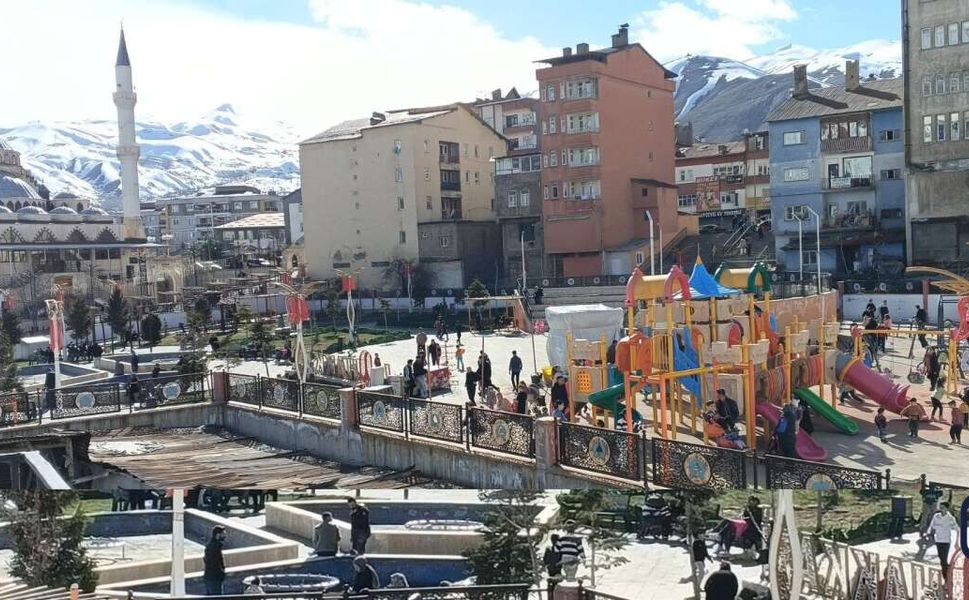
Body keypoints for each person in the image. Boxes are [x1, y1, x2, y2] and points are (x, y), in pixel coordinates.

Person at [928, 502, 958, 579]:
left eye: (943, 508)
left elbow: (958, 530)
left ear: (947, 508)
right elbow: (932, 526)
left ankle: (946, 577)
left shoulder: (950, 518)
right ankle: (948, 572)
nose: (941, 509)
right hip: (938, 540)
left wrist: (956, 542)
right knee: (941, 559)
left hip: (946, 541)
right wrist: (929, 534)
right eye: (940, 507)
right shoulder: (936, 516)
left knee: (943, 560)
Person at [203, 526, 226, 596]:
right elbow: (215, 563)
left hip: (209, 578)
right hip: (215, 578)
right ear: (218, 535)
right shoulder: (215, 547)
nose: (225, 536)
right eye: (223, 534)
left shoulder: (210, 546)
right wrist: (221, 573)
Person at [690, 532, 713, 599]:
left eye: (703, 534)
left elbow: (705, 552)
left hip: (702, 560)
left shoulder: (703, 542)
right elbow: (693, 552)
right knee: (702, 572)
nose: (703, 535)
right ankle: (697, 586)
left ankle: (697, 585)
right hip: (697, 560)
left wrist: (709, 558)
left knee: (701, 573)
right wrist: (694, 561)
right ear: (698, 535)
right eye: (701, 534)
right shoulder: (696, 543)